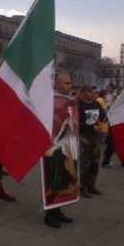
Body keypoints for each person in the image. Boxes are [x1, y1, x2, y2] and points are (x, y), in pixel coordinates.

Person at [43, 73, 77, 228]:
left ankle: (57, 211)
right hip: (53, 146)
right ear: (57, 83)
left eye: (70, 83)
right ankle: (49, 214)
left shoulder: (71, 101)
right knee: (53, 178)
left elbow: (73, 122)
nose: (69, 86)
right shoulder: (49, 100)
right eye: (66, 83)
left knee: (63, 178)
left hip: (67, 145)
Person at [79, 85, 106, 198]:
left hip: (96, 137)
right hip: (85, 137)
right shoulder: (79, 106)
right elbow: (78, 123)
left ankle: (91, 185)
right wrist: (90, 127)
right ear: (84, 93)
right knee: (85, 164)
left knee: (95, 163)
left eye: (94, 92)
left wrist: (100, 124)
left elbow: (103, 116)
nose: (93, 94)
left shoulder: (97, 104)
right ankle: (82, 188)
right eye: (90, 91)